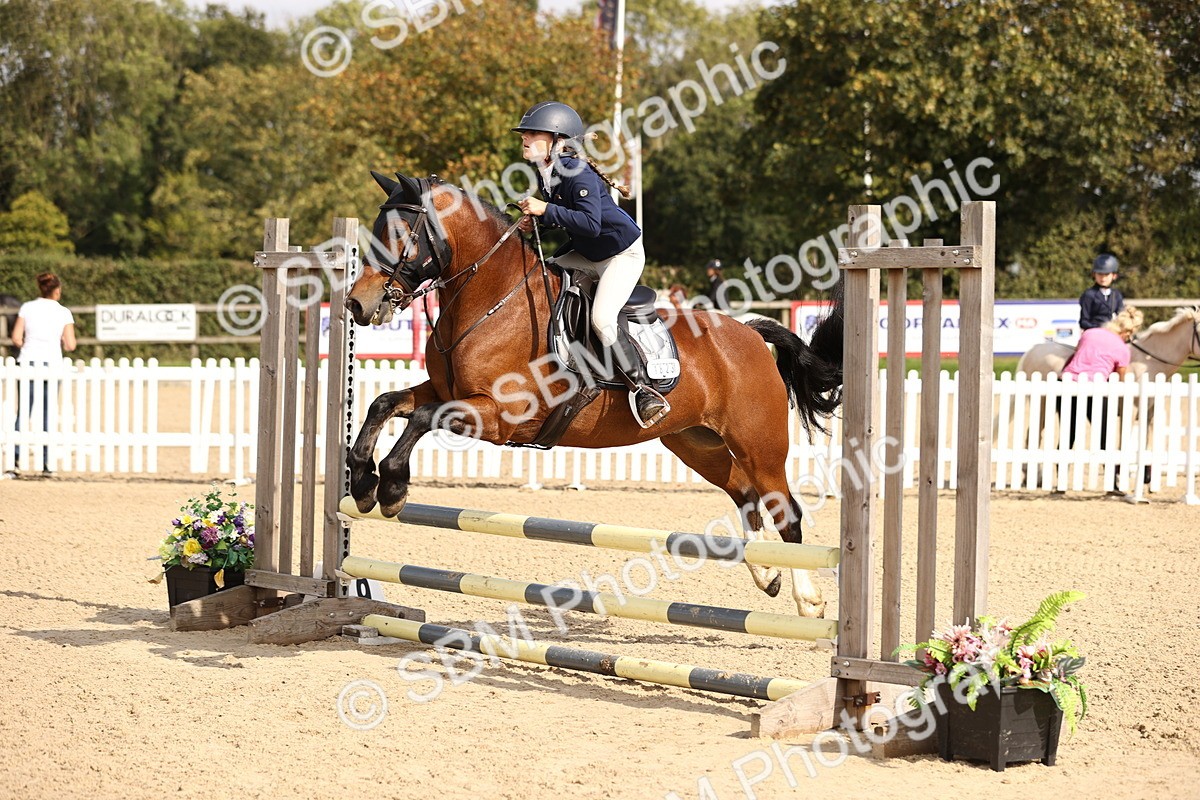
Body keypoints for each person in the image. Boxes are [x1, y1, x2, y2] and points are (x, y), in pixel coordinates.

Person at [513, 100, 669, 428]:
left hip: (620, 255)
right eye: (524, 133)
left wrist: (545, 211)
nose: (524, 137)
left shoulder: (575, 171)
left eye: (532, 132)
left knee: (601, 318)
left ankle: (642, 389)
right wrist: (537, 222)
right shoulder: (548, 172)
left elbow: (590, 224)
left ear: (558, 140)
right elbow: (565, 219)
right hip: (587, 252)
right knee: (539, 276)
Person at [1058, 305, 1143, 494]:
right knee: (1104, 436)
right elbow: (1121, 377)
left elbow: (1079, 353)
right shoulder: (1122, 349)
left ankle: (1060, 482)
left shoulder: (1089, 333)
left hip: (1068, 384)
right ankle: (1111, 483)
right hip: (1094, 390)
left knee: (1068, 433)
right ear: (1128, 332)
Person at [6, 272, 75, 477]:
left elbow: (16, 337)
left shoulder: (27, 307)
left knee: (24, 411)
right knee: (47, 412)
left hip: (28, 362)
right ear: (56, 290)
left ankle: (15, 461)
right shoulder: (63, 312)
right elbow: (70, 344)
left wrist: (28, 344)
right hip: (51, 364)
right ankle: (47, 464)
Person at [1079, 254, 1124, 330]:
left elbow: (1121, 315)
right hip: (1094, 332)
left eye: (1106, 274)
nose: (1103, 278)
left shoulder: (1116, 295)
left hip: (1112, 331)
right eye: (1100, 274)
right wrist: (1101, 328)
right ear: (1094, 274)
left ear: (1114, 276)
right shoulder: (1089, 294)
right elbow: (1084, 321)